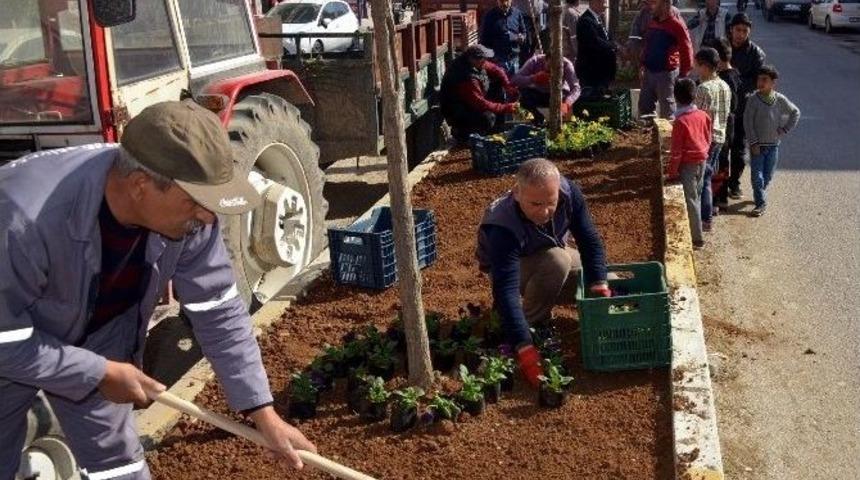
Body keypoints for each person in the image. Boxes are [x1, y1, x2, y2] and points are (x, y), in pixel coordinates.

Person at [0, 101, 317, 480]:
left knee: (118, 468)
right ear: (140, 186)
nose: (208, 217)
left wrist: (263, 414)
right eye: (197, 203)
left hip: (99, 337)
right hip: (10, 335)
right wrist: (97, 372)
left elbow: (218, 311)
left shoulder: (190, 218)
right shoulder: (21, 219)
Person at [476, 159, 609, 387]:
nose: (545, 211)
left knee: (593, 273)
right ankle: (534, 324)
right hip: (513, 267)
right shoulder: (502, 225)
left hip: (548, 249)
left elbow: (589, 239)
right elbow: (505, 287)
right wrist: (524, 346)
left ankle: (551, 302)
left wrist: (599, 284)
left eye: (551, 202)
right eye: (535, 204)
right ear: (517, 193)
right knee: (557, 261)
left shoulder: (569, 194)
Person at [743, 65, 801, 217]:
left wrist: (784, 129)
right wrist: (753, 142)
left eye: (765, 80)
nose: (760, 82)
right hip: (757, 146)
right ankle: (760, 203)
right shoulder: (753, 100)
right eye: (759, 79)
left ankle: (760, 191)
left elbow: (795, 112)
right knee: (757, 175)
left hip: (773, 145)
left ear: (773, 82)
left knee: (767, 175)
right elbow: (747, 122)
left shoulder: (780, 99)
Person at [439, 44, 520, 144]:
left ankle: (497, 126)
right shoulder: (466, 77)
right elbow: (480, 103)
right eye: (483, 59)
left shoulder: (475, 62)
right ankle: (465, 135)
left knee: (498, 84)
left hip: (471, 102)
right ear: (473, 59)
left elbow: (497, 70)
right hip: (458, 111)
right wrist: (506, 108)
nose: (485, 62)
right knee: (487, 118)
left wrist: (508, 86)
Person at [667, 78, 712, 248]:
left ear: (676, 97)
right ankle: (699, 226)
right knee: (698, 195)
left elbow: (676, 152)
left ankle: (697, 238)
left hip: (688, 165)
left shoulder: (680, 122)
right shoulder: (702, 115)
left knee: (691, 199)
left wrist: (671, 173)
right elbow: (708, 138)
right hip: (702, 159)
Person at [727, 13, 766, 200]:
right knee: (719, 147)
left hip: (743, 108)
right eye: (737, 30)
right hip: (720, 107)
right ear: (731, 30)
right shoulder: (722, 48)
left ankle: (734, 183)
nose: (740, 34)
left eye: (744, 30)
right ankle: (717, 187)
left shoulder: (756, 53)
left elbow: (759, 81)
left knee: (738, 149)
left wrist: (738, 86)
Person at [693, 47, 731, 232]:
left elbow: (699, 118)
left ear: (705, 66)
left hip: (705, 140)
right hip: (720, 137)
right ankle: (706, 218)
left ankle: (703, 218)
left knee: (701, 180)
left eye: (697, 64)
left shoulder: (703, 89)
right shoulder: (724, 85)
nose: (695, 68)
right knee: (707, 176)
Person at [639, 0, 693, 118]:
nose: (650, 6)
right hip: (649, 72)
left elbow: (687, 48)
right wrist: (642, 65)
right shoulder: (653, 21)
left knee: (668, 112)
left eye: (653, 3)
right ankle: (647, 134)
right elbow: (647, 45)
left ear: (664, 4)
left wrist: (683, 74)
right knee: (644, 108)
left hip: (666, 75)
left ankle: (669, 136)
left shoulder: (676, 24)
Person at [710, 38, 742, 211]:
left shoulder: (725, 80)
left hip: (722, 123)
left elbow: (733, 105)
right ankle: (720, 197)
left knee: (719, 161)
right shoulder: (735, 74)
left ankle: (717, 197)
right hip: (728, 124)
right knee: (722, 161)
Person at [511, 53, 582, 124]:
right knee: (524, 97)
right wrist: (533, 78)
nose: (552, 72)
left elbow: (576, 88)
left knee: (568, 106)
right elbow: (515, 80)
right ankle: (537, 118)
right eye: (549, 68)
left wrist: (567, 103)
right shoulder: (535, 61)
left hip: (559, 94)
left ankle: (559, 121)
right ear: (545, 60)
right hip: (538, 92)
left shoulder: (567, 65)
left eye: (555, 69)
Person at [576, 0, 617, 94]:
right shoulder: (585, 21)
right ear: (594, 2)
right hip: (592, 73)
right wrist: (614, 47)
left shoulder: (597, 18)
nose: (605, 5)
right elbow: (595, 42)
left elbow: (606, 38)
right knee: (591, 103)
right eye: (603, 2)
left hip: (602, 72)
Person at [480, 0, 529, 76]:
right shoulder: (490, 16)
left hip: (514, 58)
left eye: (506, 1)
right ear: (498, 1)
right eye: (502, 1)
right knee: (500, 85)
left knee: (514, 84)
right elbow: (484, 39)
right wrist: (491, 57)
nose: (505, 3)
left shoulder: (517, 14)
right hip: (498, 59)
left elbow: (524, 32)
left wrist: (522, 37)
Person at [513, 0, 548, 65]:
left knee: (541, 36)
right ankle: (524, 64)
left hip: (541, 13)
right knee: (526, 43)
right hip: (525, 15)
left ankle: (531, 60)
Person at [562, 0, 583, 65]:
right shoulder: (571, 13)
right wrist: (578, 54)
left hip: (566, 50)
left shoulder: (565, 9)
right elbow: (574, 36)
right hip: (570, 52)